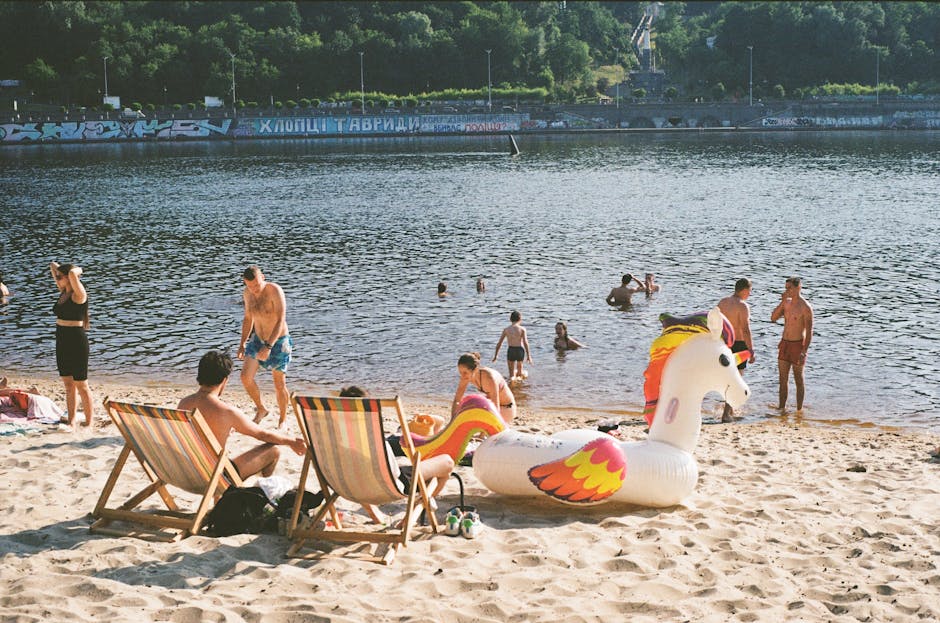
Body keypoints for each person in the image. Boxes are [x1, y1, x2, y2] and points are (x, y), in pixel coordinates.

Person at [178, 350, 306, 480]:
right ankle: (264, 492)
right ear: (224, 380)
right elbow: (262, 435)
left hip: (186, 473)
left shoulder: (183, 404)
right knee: (273, 451)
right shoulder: (227, 412)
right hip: (212, 477)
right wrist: (291, 442)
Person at [338, 386, 455, 501]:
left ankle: (381, 515)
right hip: (390, 486)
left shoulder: (336, 436)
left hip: (352, 486)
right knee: (447, 462)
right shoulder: (371, 435)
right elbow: (394, 472)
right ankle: (411, 515)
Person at [237, 266, 292, 428]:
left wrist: (268, 346)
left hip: (279, 341)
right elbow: (248, 319)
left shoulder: (275, 290)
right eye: (249, 285)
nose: (253, 289)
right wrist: (242, 343)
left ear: (263, 277)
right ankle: (261, 409)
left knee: (279, 384)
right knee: (245, 377)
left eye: (256, 285)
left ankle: (282, 419)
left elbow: (281, 319)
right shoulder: (247, 294)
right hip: (257, 340)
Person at [50, 261, 94, 427]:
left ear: (69, 278)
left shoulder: (79, 295)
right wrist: (62, 271)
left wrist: (75, 271)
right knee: (68, 384)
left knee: (81, 385)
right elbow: (52, 265)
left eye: (60, 277)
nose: (57, 279)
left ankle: (89, 423)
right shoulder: (63, 293)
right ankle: (72, 421)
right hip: (61, 340)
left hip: (76, 341)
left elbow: (74, 274)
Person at [771, 276, 814, 411]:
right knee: (782, 380)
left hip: (797, 345)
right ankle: (781, 408)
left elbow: (809, 331)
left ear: (798, 287)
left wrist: (804, 350)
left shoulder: (805, 307)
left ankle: (799, 410)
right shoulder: (786, 303)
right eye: (786, 288)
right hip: (784, 344)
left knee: (798, 380)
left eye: (789, 288)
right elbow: (773, 318)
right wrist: (782, 302)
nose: (787, 290)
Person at [717, 278, 756, 422]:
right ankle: (726, 414)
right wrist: (751, 350)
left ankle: (730, 409)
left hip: (724, 342)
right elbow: (745, 329)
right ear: (744, 290)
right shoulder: (742, 306)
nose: (749, 294)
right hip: (738, 344)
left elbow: (714, 323)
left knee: (727, 377)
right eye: (750, 291)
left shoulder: (723, 302)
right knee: (736, 379)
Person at [452, 352, 516, 425]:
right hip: (491, 407)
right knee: (465, 407)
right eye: (460, 372)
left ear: (475, 369)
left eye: (465, 372)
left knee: (472, 412)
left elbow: (496, 407)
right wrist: (452, 422)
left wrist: (483, 433)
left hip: (506, 408)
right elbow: (457, 400)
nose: (462, 376)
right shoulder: (466, 377)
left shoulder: (489, 378)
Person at [493, 310, 532, 381]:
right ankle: (519, 387)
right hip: (520, 350)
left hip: (511, 350)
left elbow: (499, 343)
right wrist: (529, 356)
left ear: (510, 319)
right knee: (519, 371)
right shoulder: (522, 329)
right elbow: (526, 342)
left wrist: (496, 355)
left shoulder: (506, 330)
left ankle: (512, 385)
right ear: (520, 319)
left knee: (511, 374)